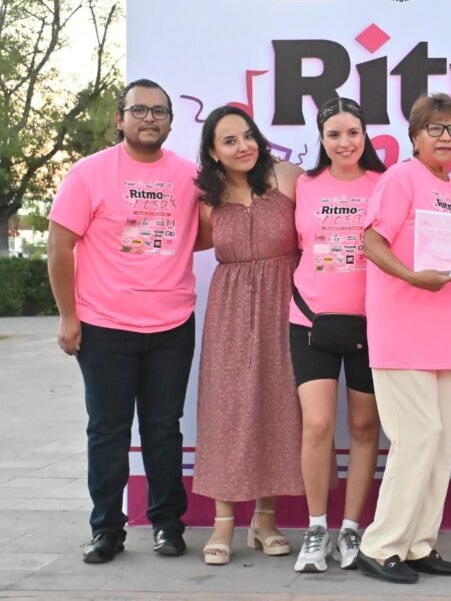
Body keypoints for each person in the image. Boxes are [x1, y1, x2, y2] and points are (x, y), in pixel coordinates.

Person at [47, 79, 199, 563]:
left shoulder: (189, 176)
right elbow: (59, 247)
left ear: (170, 122)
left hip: (172, 325)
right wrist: (68, 316)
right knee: (108, 431)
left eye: (159, 111)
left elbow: (202, 232)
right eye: (139, 110)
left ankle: (168, 525)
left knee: (163, 429)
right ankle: (107, 530)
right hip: (104, 326)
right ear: (120, 119)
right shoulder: (89, 173)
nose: (150, 118)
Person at [354, 93, 451, 584]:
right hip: (401, 329)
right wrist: (410, 277)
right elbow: (370, 241)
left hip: (447, 331)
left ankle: (418, 543)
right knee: (417, 436)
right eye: (435, 128)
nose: (446, 137)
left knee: (438, 443)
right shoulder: (400, 179)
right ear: (415, 136)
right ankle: (380, 545)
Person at [190, 106, 305, 565]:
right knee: (228, 407)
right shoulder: (207, 199)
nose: (243, 146)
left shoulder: (287, 177)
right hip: (230, 309)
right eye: (230, 141)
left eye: (248, 135)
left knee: (278, 404)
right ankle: (223, 521)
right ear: (213, 152)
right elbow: (193, 241)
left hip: (285, 302)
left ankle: (264, 520)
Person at [289, 98, 386, 573]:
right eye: (334, 134)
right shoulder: (303, 185)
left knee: (365, 427)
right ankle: (316, 529)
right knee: (317, 425)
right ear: (321, 139)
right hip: (310, 320)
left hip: (372, 323)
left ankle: (350, 528)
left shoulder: (385, 184)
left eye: (352, 133)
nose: (344, 142)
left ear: (365, 136)